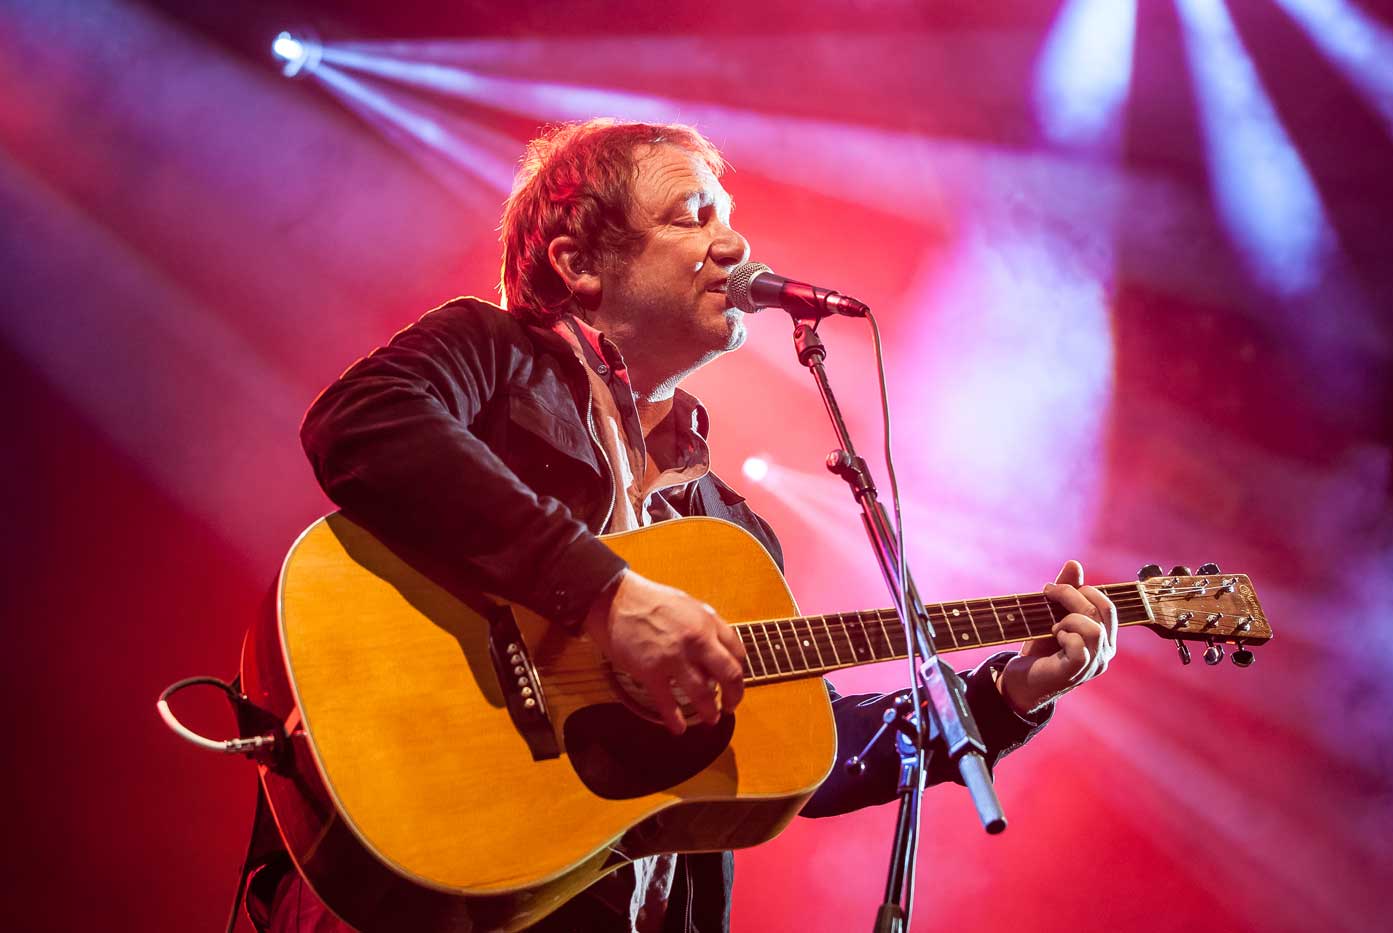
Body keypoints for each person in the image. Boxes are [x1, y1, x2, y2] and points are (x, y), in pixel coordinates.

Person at [250, 118, 1116, 932]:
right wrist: (606, 595)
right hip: (416, 846)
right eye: (692, 216)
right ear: (578, 264)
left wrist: (1005, 696)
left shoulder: (730, 528)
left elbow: (809, 749)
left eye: (729, 218)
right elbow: (361, 420)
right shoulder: (494, 354)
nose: (735, 245)